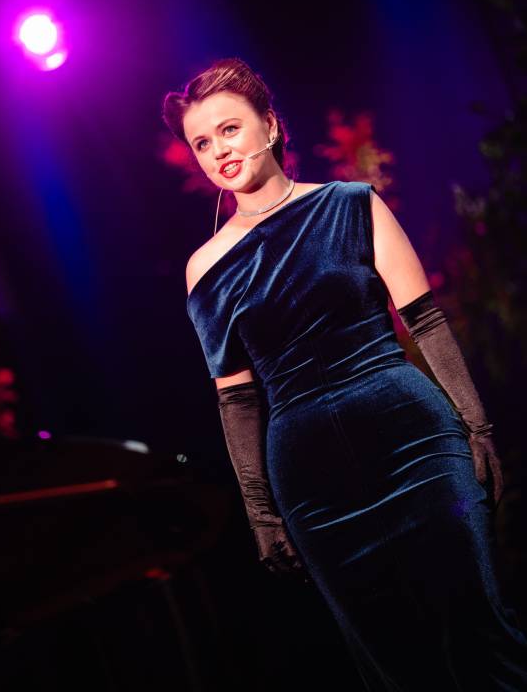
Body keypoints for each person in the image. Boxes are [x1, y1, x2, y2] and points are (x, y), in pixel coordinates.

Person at [163, 57, 527, 690]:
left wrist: (479, 427)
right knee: (396, 664)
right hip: (313, 482)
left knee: (479, 632)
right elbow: (237, 401)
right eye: (201, 142)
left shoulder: (351, 205)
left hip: (416, 446)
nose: (217, 150)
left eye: (229, 129)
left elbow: (425, 322)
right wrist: (261, 513)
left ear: (270, 126)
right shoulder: (206, 267)